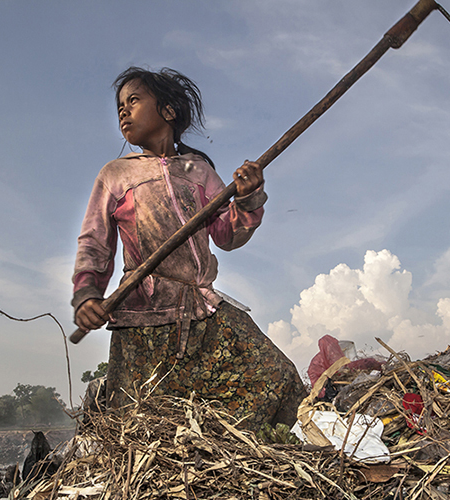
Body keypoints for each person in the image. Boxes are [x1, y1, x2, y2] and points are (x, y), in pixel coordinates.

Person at [72, 67, 304, 431]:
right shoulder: (115, 175)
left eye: (133, 100)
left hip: (200, 311)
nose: (123, 111)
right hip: (142, 317)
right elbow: (94, 241)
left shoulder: (199, 172)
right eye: (119, 105)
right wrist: (86, 294)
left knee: (276, 376)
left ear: (168, 111)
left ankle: (237, 453)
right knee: (142, 423)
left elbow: (227, 236)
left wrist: (247, 198)